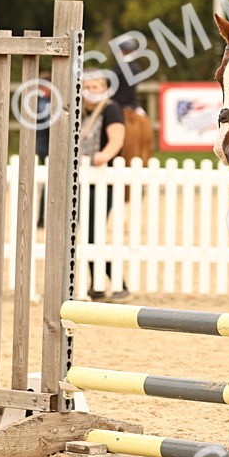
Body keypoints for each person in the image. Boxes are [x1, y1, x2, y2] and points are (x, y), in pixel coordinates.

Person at [79, 71, 127, 300]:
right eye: (87, 86)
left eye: (95, 86)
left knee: (94, 233)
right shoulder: (81, 111)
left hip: (102, 179)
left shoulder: (110, 108)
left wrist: (103, 155)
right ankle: (98, 284)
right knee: (87, 234)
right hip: (83, 178)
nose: (90, 90)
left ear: (104, 88)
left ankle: (118, 283)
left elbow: (117, 138)